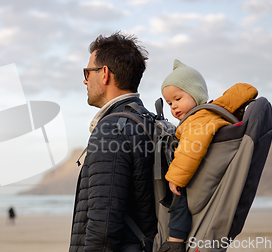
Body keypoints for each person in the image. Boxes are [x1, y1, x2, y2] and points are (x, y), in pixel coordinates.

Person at [69, 32, 157, 252]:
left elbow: (104, 227)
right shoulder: (148, 121)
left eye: (88, 72)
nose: (85, 79)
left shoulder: (111, 130)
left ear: (104, 73)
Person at [158, 59, 258, 252]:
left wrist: (175, 178)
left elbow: (190, 150)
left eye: (178, 99)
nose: (173, 107)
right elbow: (237, 94)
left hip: (198, 178)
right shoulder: (212, 112)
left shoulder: (197, 121)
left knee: (179, 201)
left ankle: (175, 241)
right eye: (169, 103)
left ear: (196, 94)